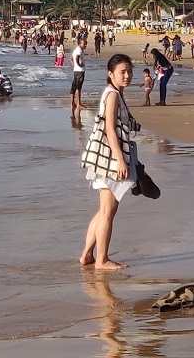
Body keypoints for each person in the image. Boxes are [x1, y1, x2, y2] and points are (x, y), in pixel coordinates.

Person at [80, 53, 138, 271]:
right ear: (110, 74)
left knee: (104, 209)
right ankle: (101, 260)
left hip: (103, 158)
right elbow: (110, 130)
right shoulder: (112, 95)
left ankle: (87, 255)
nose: (127, 76)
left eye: (129, 71)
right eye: (122, 72)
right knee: (107, 210)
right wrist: (121, 161)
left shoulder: (115, 93)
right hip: (109, 159)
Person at [70, 38, 87, 122]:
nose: (85, 45)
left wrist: (75, 65)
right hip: (79, 71)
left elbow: (71, 59)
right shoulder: (79, 50)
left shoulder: (76, 50)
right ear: (80, 43)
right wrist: (79, 65)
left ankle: (73, 103)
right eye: (84, 43)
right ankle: (78, 103)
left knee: (74, 87)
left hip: (76, 70)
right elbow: (76, 58)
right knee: (78, 87)